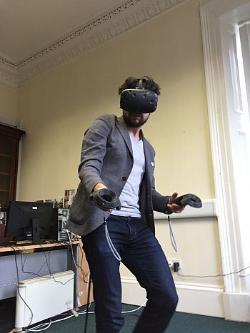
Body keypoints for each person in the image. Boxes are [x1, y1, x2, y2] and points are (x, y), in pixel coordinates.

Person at [67, 76, 186, 333]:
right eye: (132, 102)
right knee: (110, 305)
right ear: (124, 100)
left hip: (138, 226)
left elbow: (146, 193)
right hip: (105, 220)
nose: (137, 112)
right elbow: (89, 165)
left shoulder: (148, 149)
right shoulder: (106, 124)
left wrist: (168, 203)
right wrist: (99, 189)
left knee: (166, 296)